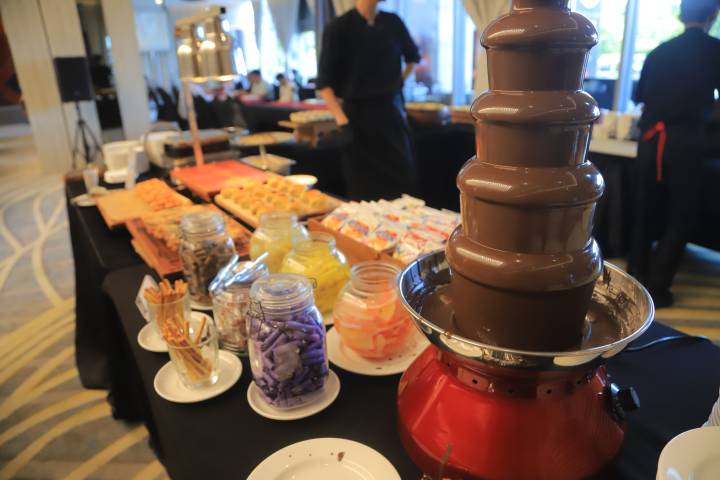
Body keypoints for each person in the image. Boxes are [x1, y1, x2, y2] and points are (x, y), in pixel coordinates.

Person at [628, 0, 720, 307]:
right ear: (713, 15)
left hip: (649, 140)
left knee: (644, 212)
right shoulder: (714, 50)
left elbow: (639, 96)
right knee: (681, 217)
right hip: (685, 142)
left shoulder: (659, 51)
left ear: (681, 15)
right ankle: (657, 288)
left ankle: (635, 279)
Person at [317, 0, 420, 200]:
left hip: (391, 113)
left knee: (404, 181)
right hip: (357, 119)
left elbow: (412, 57)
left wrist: (397, 82)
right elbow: (324, 83)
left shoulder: (393, 22)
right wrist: (342, 121)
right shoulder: (338, 27)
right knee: (364, 188)